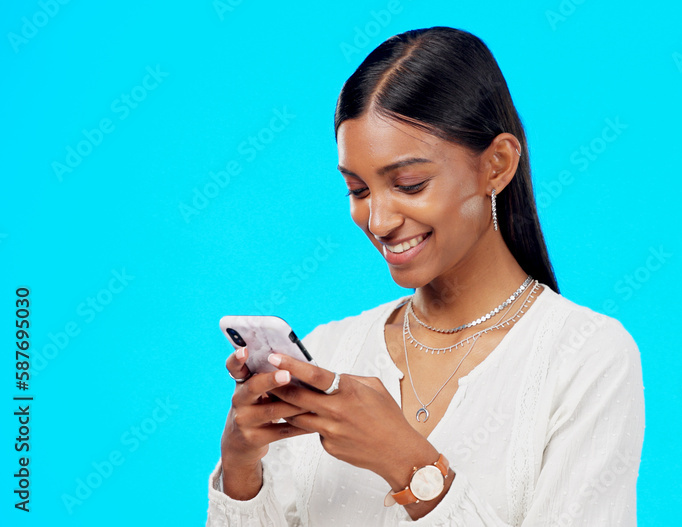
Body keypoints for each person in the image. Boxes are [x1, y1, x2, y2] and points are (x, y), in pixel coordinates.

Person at [206, 26, 645, 526]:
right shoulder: (328, 353)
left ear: (496, 165)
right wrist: (241, 469)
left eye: (409, 184)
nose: (379, 221)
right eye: (358, 190)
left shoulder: (586, 357)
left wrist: (410, 467)